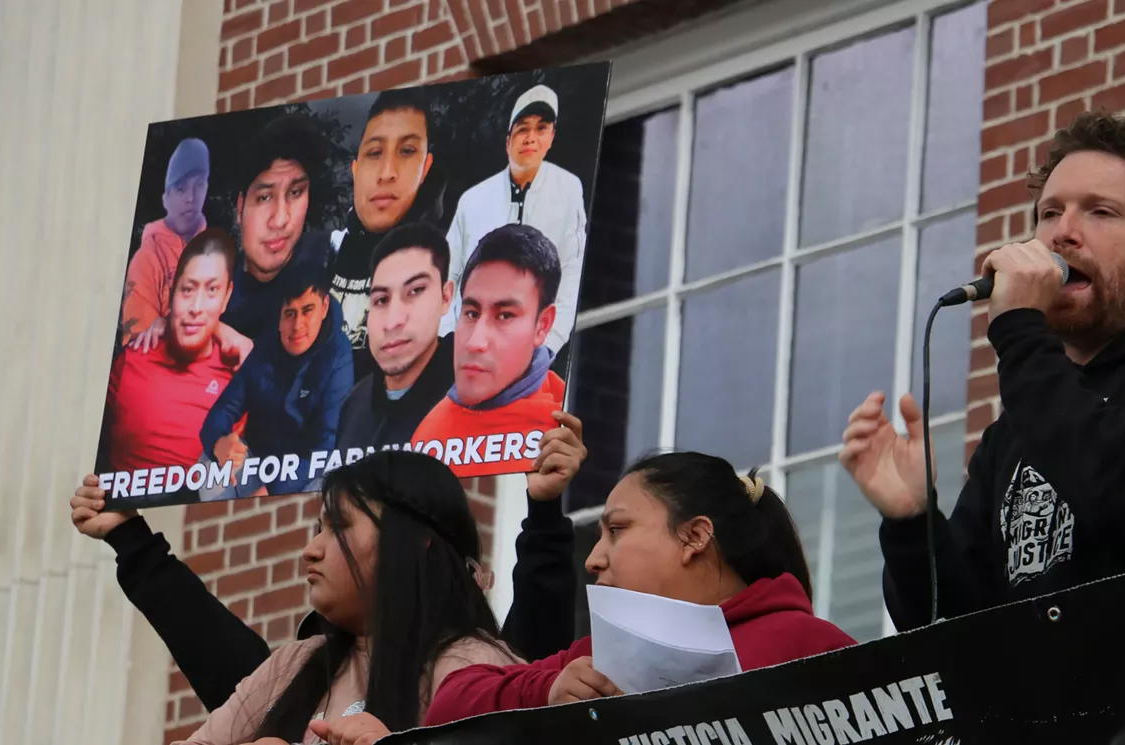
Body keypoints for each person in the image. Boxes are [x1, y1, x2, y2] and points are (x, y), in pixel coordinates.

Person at [840, 112, 1125, 632]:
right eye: (1049, 212)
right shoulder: (1015, 430)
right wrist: (911, 523)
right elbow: (955, 631)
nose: (1062, 233)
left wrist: (1018, 330)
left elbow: (1124, 492)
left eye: (1100, 212)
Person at [70, 411, 587, 723]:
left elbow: (529, 685)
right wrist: (130, 540)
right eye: (319, 529)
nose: (310, 552)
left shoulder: (475, 667)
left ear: (416, 549)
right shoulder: (296, 670)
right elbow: (226, 665)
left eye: (337, 526)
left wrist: (542, 513)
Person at [425, 451, 856, 726]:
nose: (593, 559)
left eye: (617, 529)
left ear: (694, 537)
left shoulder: (812, 646)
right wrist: (548, 690)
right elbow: (450, 702)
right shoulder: (596, 657)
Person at [130, 115, 334, 364]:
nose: (280, 219)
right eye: (264, 197)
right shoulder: (212, 289)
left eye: (295, 193)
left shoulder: (328, 267)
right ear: (240, 208)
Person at [441, 84, 588, 355]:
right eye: (523, 129)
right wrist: (451, 336)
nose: (531, 138)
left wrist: (548, 345)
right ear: (508, 141)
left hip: (534, 345)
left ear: (552, 136)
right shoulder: (474, 199)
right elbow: (447, 273)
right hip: (473, 344)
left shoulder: (567, 189)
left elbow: (572, 272)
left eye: (541, 128)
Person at [409, 224, 565, 477]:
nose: (475, 341)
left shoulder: (565, 431)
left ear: (542, 325)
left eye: (504, 315)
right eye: (471, 313)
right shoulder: (429, 435)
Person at [199, 266, 353, 499]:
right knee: (209, 466)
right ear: (279, 317)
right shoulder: (265, 349)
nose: (297, 325)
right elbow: (224, 409)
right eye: (289, 313)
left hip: (307, 472)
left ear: (324, 308)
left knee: (324, 484)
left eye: (307, 310)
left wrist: (272, 492)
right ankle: (229, 530)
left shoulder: (338, 356)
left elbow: (325, 447)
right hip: (261, 462)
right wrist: (219, 443)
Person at [100, 229, 238, 476]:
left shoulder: (240, 376)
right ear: (172, 292)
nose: (196, 307)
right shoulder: (132, 359)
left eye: (212, 291)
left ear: (226, 297)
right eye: (188, 290)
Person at [330, 89, 442, 383]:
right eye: (375, 153)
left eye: (406, 151)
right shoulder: (318, 256)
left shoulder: (444, 267)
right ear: (355, 169)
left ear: (425, 168)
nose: (387, 172)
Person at [335, 222, 455, 452]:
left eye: (415, 291)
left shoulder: (473, 396)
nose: (393, 321)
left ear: (445, 297)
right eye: (381, 299)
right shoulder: (354, 404)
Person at [119, 137, 210, 345]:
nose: (191, 197)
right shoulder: (147, 259)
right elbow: (136, 348)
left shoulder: (216, 252)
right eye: (180, 188)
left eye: (199, 185)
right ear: (166, 198)